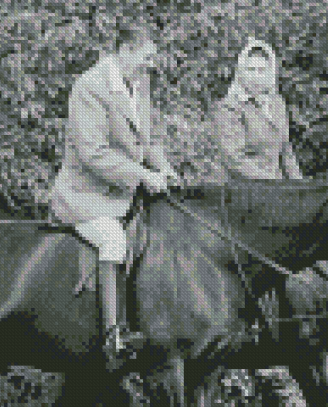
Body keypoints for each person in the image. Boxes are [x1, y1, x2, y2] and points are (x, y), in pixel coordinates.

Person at [48, 22, 179, 370]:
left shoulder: (139, 84)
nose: (151, 64)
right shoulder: (89, 87)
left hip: (126, 192)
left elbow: (147, 140)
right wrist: (143, 176)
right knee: (113, 240)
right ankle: (113, 335)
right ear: (125, 50)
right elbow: (94, 154)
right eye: (147, 57)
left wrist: (166, 169)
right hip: (85, 196)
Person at [210, 37, 303, 180]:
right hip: (245, 189)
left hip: (278, 189)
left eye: (261, 70)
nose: (255, 76)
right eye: (251, 69)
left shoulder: (276, 104)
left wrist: (300, 187)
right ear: (241, 72)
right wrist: (272, 182)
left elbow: (286, 151)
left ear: (269, 73)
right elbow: (234, 160)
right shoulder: (228, 108)